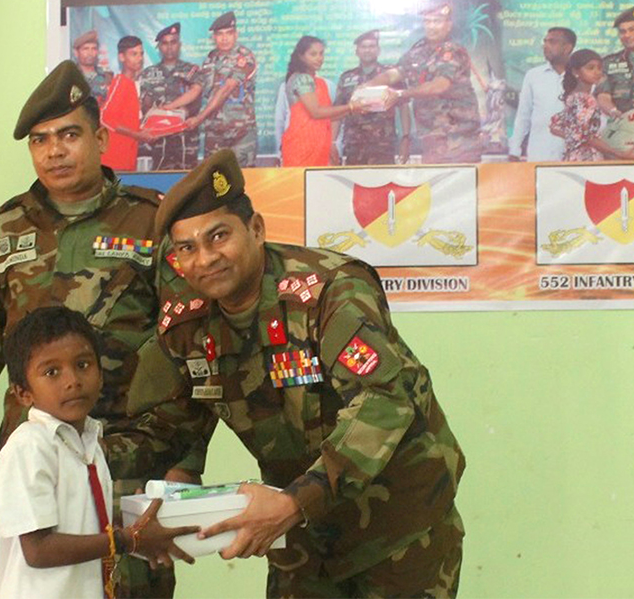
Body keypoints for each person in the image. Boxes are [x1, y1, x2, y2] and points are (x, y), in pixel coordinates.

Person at [127, 149, 466, 598]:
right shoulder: (187, 323)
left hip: (400, 529)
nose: (206, 259)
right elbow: (180, 423)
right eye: (187, 248)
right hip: (303, 537)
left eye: (218, 236)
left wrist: (294, 502)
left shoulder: (330, 290)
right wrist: (175, 495)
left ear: (257, 230)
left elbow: (384, 401)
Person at [0, 59, 198, 598]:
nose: (54, 151)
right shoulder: (9, 226)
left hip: (130, 456)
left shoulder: (149, 220)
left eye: (69, 134)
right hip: (35, 457)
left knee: (133, 587)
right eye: (40, 140)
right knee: (39, 583)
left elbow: (189, 345)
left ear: (100, 138)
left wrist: (184, 461)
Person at [0, 306, 198, 599]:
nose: (72, 381)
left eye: (83, 365)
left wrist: (135, 529)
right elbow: (38, 550)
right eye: (52, 372)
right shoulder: (29, 448)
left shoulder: (87, 443)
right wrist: (125, 540)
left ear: (101, 373)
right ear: (23, 393)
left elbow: (83, 527)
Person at [367, 2, 483, 164]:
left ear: (448, 25)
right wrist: (368, 85)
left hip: (460, 139)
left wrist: (400, 94)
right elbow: (393, 74)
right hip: (432, 139)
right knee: (434, 187)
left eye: (437, 21)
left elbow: (439, 86)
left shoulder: (454, 51)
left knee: (463, 188)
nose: (431, 26)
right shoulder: (417, 52)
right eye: (428, 22)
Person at [162, 11, 258, 166]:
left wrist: (199, 118)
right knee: (214, 182)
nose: (224, 38)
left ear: (236, 34)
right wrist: (169, 107)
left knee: (243, 181)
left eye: (229, 33)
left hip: (241, 133)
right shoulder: (210, 59)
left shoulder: (244, 57)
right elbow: (196, 89)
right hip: (214, 133)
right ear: (213, 37)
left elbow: (226, 90)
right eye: (220, 34)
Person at [334, 29, 413, 165]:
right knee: (355, 185)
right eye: (363, 47)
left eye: (371, 46)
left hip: (383, 146)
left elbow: (404, 107)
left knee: (383, 185)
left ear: (378, 50)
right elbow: (338, 113)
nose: (367, 50)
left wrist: (405, 138)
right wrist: (332, 142)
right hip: (354, 146)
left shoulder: (391, 75)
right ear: (357, 52)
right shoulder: (347, 78)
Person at [550, 49, 634, 162]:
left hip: (573, 156)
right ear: (575, 72)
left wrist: (574, 137)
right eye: (590, 68)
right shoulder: (585, 99)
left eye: (599, 68)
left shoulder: (573, 96)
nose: (597, 72)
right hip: (588, 158)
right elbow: (587, 137)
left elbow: (554, 127)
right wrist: (618, 153)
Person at [279, 35, 353, 167]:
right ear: (301, 56)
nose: (319, 58)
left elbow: (328, 116)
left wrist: (355, 109)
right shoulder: (301, 79)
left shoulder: (320, 82)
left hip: (320, 145)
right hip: (301, 146)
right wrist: (351, 107)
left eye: (321, 54)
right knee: (299, 186)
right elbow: (316, 112)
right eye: (313, 54)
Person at [139, 23, 201, 171]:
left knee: (189, 183)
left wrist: (179, 111)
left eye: (173, 42)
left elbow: (197, 100)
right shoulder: (148, 73)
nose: (169, 47)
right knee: (161, 184)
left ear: (179, 45)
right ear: (159, 47)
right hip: (160, 140)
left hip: (186, 139)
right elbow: (145, 104)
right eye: (165, 43)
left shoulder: (191, 70)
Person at [508, 27, 576, 162]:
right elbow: (523, 115)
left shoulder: (580, 76)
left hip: (574, 155)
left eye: (552, 42)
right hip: (540, 155)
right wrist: (514, 150)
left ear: (567, 47)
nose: (545, 46)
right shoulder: (534, 76)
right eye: (545, 42)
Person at [101, 36, 155, 172]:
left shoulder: (132, 84)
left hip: (128, 160)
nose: (139, 58)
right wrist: (139, 136)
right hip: (113, 161)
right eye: (134, 54)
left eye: (141, 53)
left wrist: (144, 133)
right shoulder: (120, 83)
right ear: (121, 57)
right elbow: (105, 119)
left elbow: (128, 123)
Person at [597, 5, 634, 119]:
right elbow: (603, 95)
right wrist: (613, 111)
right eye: (622, 31)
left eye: (632, 29)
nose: (627, 35)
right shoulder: (609, 62)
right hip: (621, 125)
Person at [73, 30, 114, 107]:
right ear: (76, 53)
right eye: (85, 49)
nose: (90, 53)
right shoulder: (70, 76)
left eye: (94, 49)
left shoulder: (107, 77)